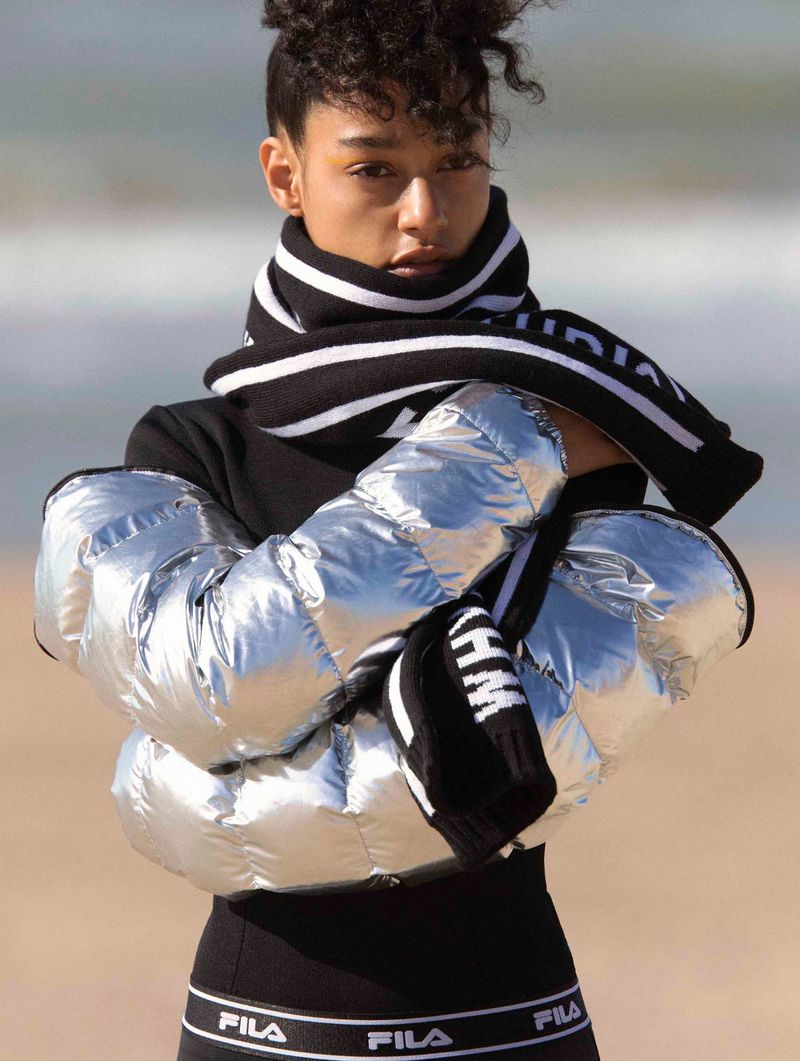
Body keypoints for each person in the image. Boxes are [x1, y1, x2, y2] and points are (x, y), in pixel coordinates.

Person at [33, 2, 760, 1058]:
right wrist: (511, 436)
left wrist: (211, 798)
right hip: (261, 1022)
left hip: (512, 1017)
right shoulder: (198, 445)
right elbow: (219, 685)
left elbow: (523, 774)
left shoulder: (587, 418)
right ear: (284, 172)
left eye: (455, 160)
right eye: (373, 169)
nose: (423, 209)